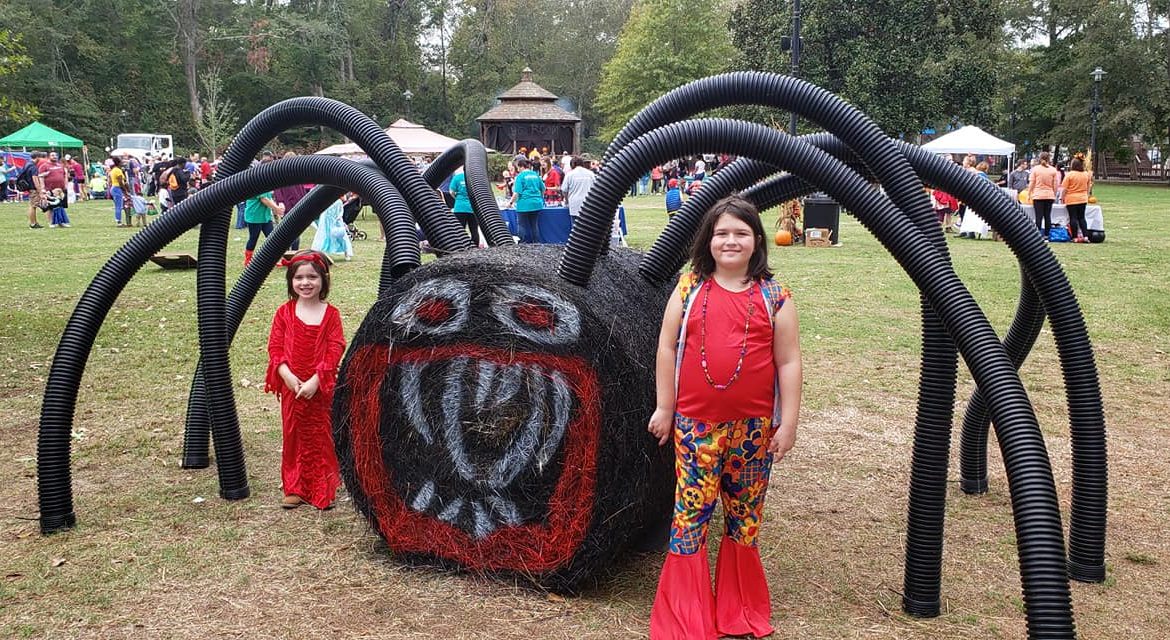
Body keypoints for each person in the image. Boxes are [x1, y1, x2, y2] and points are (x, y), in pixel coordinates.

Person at [647, 196, 801, 640]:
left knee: (745, 513)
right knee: (691, 511)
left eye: (741, 233)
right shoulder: (689, 289)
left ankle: (740, 606)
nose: (731, 241)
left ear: (757, 241)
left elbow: (789, 361)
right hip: (695, 426)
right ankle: (686, 615)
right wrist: (665, 407)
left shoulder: (775, 297)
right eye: (721, 233)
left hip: (754, 431)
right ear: (707, 241)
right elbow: (666, 347)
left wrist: (788, 422)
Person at [264, 250, 345, 510]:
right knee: (294, 434)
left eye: (312, 277)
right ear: (291, 281)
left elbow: (335, 348)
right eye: (299, 277)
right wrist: (286, 375)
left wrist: (316, 380)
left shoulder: (331, 314)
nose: (305, 282)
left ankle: (322, 488)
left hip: (319, 387)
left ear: (323, 279)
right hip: (292, 386)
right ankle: (295, 487)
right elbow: (275, 347)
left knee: (322, 436)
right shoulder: (284, 313)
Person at [243, 186, 285, 266]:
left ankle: (274, 259)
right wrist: (276, 208)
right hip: (254, 217)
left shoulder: (266, 184)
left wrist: (276, 208)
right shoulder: (259, 183)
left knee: (272, 238)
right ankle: (248, 260)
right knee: (253, 238)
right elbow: (264, 199)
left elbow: (269, 198)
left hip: (265, 217)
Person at [507, 157, 545, 243]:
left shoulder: (520, 176)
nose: (517, 170)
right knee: (534, 225)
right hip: (536, 204)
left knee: (522, 225)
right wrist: (540, 197)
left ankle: (522, 244)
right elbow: (543, 188)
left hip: (524, 204)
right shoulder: (536, 175)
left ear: (521, 167)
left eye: (518, 168)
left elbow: (517, 193)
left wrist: (510, 203)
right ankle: (536, 243)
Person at [1028, 151, 1060, 241]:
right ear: (1049, 159)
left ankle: (1038, 235)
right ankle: (1046, 235)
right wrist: (1054, 194)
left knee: (1038, 216)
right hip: (1049, 195)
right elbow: (1055, 185)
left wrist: (1029, 193)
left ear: (1040, 158)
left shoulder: (1035, 169)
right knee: (1047, 216)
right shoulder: (1053, 170)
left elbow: (1032, 183)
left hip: (1038, 195)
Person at [1061, 156, 1093, 243]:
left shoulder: (1070, 175)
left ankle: (1074, 237)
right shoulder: (1086, 174)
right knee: (1082, 218)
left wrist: (1062, 197)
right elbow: (1088, 187)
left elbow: (1064, 188)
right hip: (1082, 198)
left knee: (1073, 218)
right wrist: (1086, 196)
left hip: (1071, 199)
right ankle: (1085, 236)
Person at [448, 167, 480, 245]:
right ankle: (475, 247)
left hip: (460, 207)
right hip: (472, 208)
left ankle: (460, 247)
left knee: (460, 231)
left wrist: (457, 198)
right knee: (474, 230)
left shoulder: (457, 177)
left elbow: (451, 191)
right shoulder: (476, 179)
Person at [560, 156, 596, 221]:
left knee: (575, 225)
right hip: (589, 204)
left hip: (574, 204)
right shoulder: (591, 174)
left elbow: (564, 190)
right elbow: (595, 188)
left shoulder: (569, 175)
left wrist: (567, 201)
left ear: (572, 164)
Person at [108, 156, 131, 227]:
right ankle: (119, 222)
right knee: (119, 206)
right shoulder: (118, 171)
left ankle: (119, 220)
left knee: (118, 205)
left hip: (113, 188)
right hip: (117, 188)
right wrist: (125, 191)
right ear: (119, 163)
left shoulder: (113, 170)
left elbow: (110, 181)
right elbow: (120, 182)